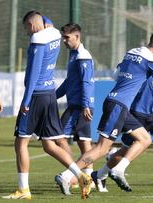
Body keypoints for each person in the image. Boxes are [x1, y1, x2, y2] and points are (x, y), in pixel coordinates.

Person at [55, 31, 153, 195]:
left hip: (118, 104)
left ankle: (117, 170)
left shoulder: (132, 53)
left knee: (144, 139)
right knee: (101, 148)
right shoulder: (151, 60)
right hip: (118, 105)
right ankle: (66, 176)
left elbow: (116, 75)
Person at [2, 11, 92, 200]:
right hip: (50, 95)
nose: (27, 32)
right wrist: (42, 19)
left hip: (35, 96)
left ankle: (23, 189)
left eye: (26, 27)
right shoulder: (54, 34)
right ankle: (81, 175)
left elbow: (33, 74)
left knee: (21, 142)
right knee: (50, 145)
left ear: (33, 25)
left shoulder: (37, 38)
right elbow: (46, 21)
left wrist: (25, 102)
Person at [92, 41, 153, 192]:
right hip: (137, 113)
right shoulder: (151, 63)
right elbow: (131, 79)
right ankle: (100, 174)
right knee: (126, 149)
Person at [53, 23, 95, 195]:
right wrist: (52, 97)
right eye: (63, 37)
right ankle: (88, 178)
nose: (64, 40)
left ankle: (74, 174)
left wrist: (86, 104)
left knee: (57, 137)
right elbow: (69, 82)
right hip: (77, 105)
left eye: (67, 37)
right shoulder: (73, 55)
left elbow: (86, 82)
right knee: (84, 143)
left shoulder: (82, 56)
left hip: (80, 106)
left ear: (77, 37)